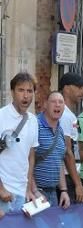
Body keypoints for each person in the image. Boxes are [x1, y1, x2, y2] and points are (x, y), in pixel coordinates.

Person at [0, 73, 40, 212]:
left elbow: (31, 156)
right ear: (12, 92)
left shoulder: (33, 121)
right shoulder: (1, 116)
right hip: (3, 193)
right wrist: (1, 189)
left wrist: (29, 189)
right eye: (21, 90)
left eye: (29, 91)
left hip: (21, 194)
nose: (26, 95)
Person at [34, 91, 70, 208]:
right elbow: (25, 161)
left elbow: (59, 161)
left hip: (53, 193)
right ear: (45, 104)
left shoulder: (60, 131)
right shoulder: (35, 125)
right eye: (53, 101)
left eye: (61, 102)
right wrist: (34, 191)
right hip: (35, 193)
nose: (57, 105)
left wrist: (64, 190)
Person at [58, 73, 83, 203]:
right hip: (66, 176)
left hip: (71, 175)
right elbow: (67, 152)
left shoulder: (69, 115)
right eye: (79, 87)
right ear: (66, 88)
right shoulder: (64, 115)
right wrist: (78, 184)